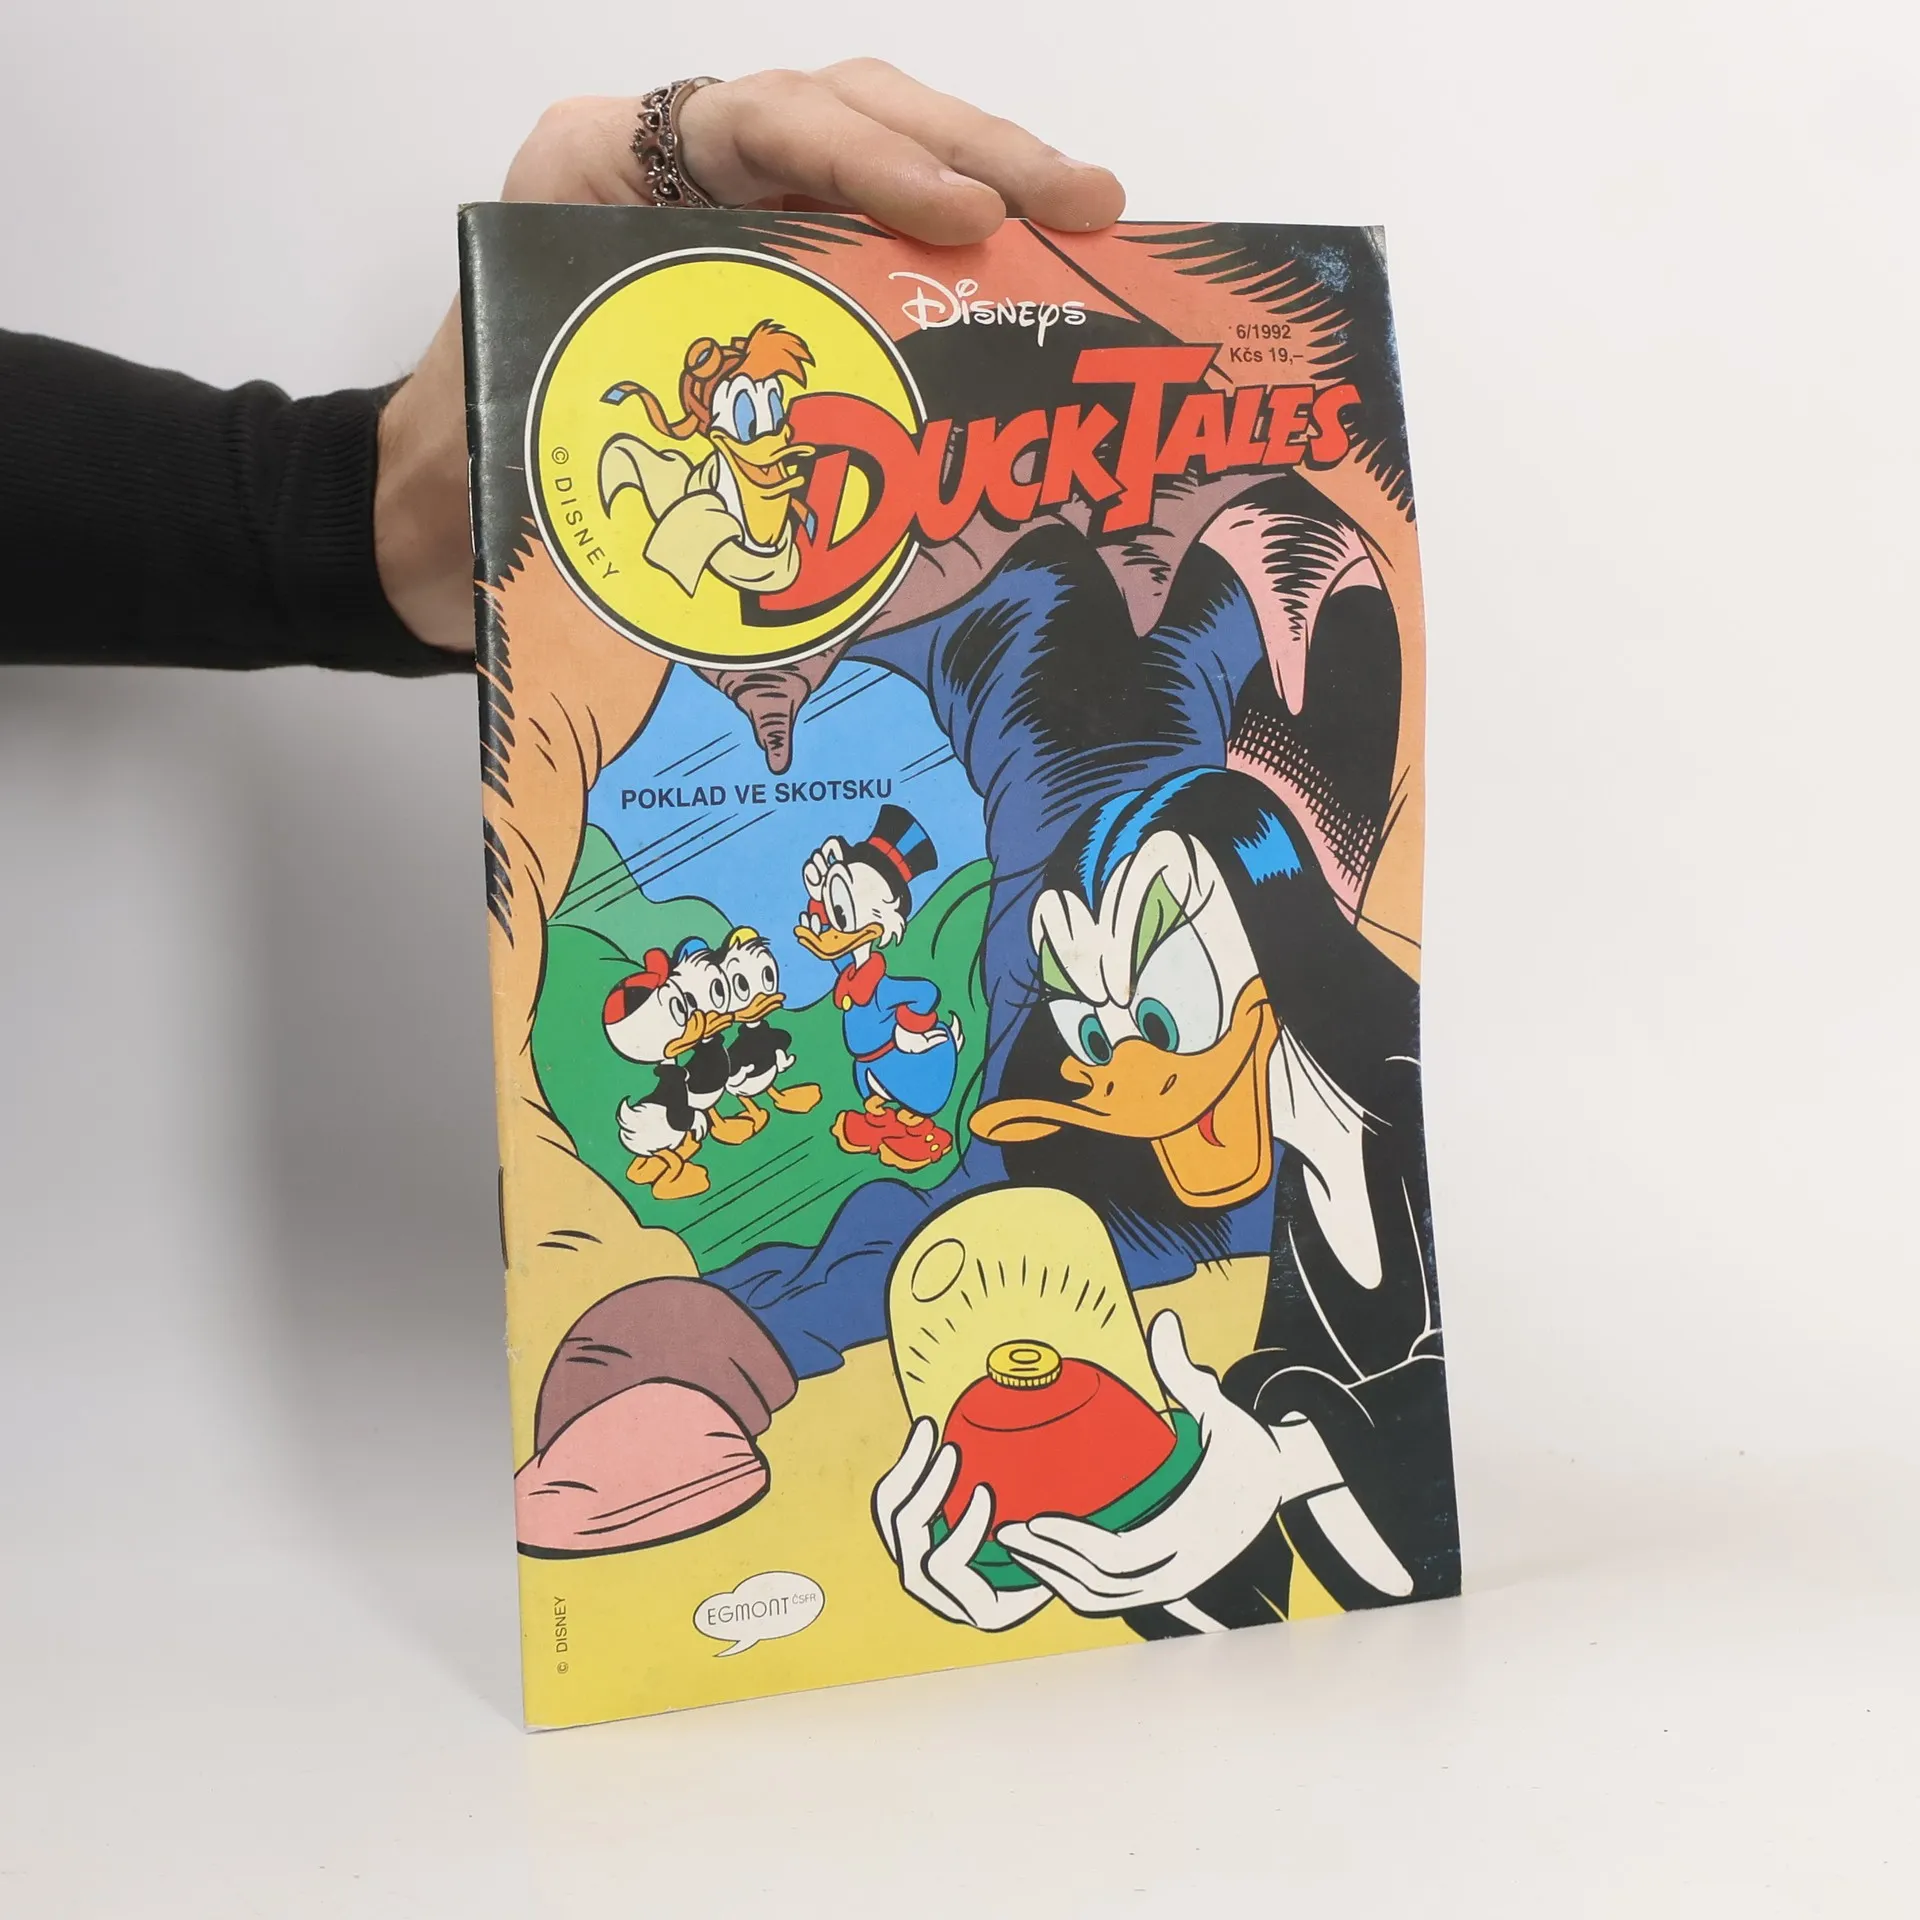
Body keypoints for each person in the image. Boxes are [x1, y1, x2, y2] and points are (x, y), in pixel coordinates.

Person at [0, 63, 1125, 674]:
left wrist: (424, 490)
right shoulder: (701, 485)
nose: (770, 420)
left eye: (775, 403)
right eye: (748, 404)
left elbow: (264, 519)